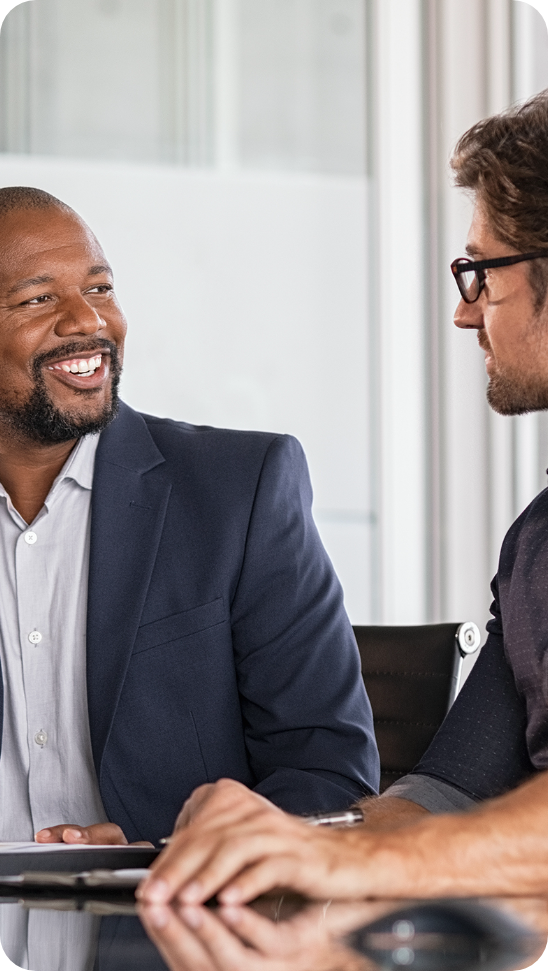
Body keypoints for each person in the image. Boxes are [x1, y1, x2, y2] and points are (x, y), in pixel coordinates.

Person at [139, 87, 548, 904]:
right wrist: (285, 840)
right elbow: (450, 790)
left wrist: (354, 864)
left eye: (482, 272)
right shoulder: (535, 544)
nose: (466, 315)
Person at [0, 185, 379, 848]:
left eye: (99, 288)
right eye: (38, 298)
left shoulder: (240, 492)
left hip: (168, 925)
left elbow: (329, 772)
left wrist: (167, 850)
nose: (86, 321)